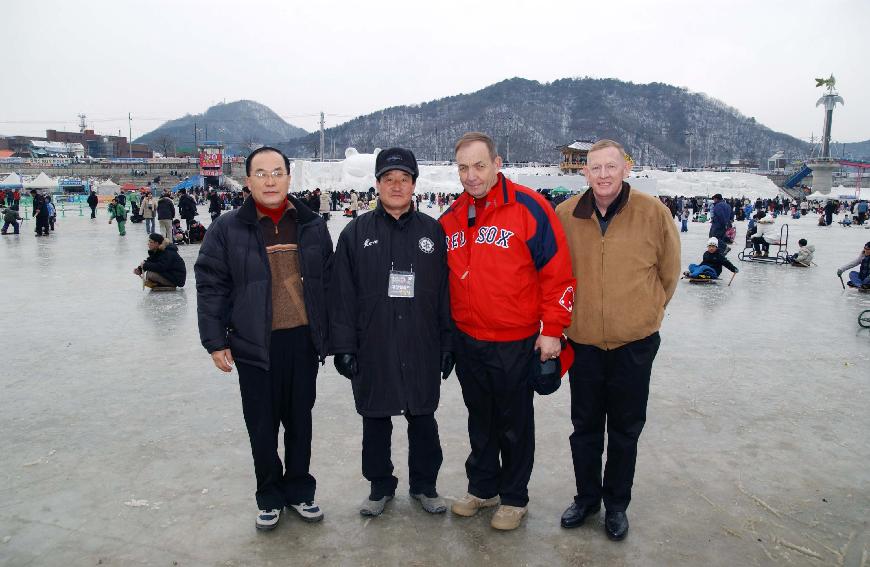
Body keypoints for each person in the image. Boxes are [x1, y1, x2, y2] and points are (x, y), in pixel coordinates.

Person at [440, 132, 576, 531]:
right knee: (480, 418)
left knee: (514, 422)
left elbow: (557, 273)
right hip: (468, 339)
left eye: (479, 165)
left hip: (515, 340)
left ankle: (514, 496)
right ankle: (483, 488)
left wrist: (552, 329)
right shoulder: (450, 218)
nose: (471, 175)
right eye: (463, 167)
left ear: (497, 163)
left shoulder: (529, 207)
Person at [194, 146, 333, 531]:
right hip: (255, 346)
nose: (270, 180)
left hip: (302, 343)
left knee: (300, 422)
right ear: (248, 180)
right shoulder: (227, 228)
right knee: (262, 426)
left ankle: (300, 490)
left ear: (289, 178)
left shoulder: (311, 225)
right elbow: (211, 286)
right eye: (261, 173)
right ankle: (269, 495)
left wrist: (331, 337)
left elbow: (328, 284)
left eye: (277, 172)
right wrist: (215, 341)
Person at [554, 139, 680, 541]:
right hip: (585, 342)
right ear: (585, 172)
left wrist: (646, 314)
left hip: (634, 344)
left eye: (611, 166)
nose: (604, 175)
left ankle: (617, 504)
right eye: (596, 168)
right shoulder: (566, 214)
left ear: (626, 168)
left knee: (625, 430)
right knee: (585, 426)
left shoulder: (652, 213)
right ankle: (587, 498)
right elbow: (554, 274)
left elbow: (669, 272)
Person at [329, 147, 453, 518]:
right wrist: (344, 345)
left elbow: (447, 295)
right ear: (377, 184)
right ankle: (380, 485)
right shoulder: (355, 233)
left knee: (423, 417)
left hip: (421, 344)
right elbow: (342, 294)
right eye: (389, 179)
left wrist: (448, 343)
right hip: (375, 343)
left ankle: (425, 485)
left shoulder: (433, 232)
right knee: (376, 419)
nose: (396, 186)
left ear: (414, 184)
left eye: (404, 179)